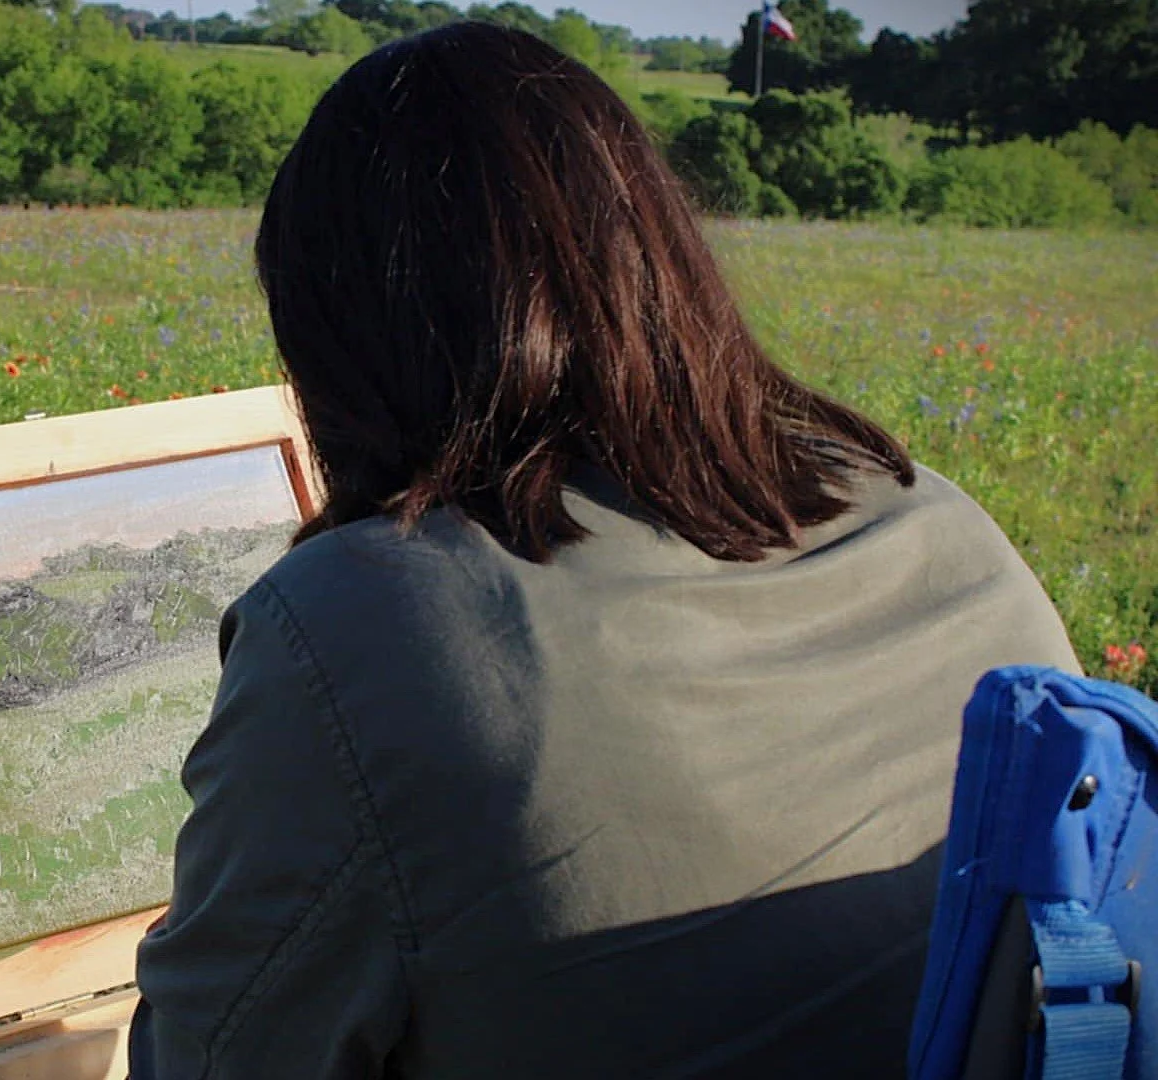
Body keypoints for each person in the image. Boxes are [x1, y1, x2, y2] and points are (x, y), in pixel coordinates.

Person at [127, 22, 1079, 1080]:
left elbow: (210, 1060)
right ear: (663, 256)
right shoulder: (936, 521)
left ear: (340, 333)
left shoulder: (357, 624)